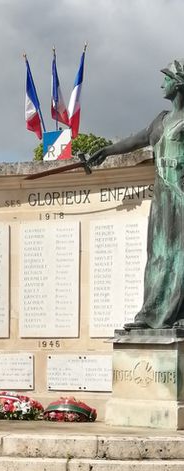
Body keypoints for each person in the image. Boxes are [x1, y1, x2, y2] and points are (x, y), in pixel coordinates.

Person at [89, 59, 184, 329]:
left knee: (181, 255)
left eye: (166, 79)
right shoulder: (161, 121)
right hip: (164, 197)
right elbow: (135, 140)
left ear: (177, 84)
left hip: (182, 193)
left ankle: (178, 315)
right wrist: (106, 151)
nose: (161, 84)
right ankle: (150, 314)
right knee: (158, 254)